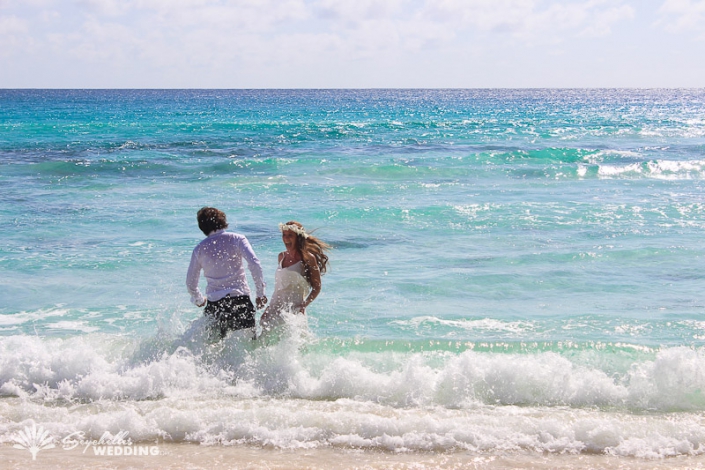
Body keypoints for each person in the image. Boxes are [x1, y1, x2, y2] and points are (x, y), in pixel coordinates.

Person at [186, 207, 267, 339]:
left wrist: (199, 299)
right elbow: (254, 264)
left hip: (215, 306)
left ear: (202, 226)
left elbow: (190, 283)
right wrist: (260, 293)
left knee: (214, 351)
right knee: (249, 348)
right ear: (223, 220)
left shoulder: (199, 248)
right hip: (240, 301)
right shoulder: (237, 239)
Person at [259, 221, 330, 332]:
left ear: (298, 237)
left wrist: (304, 305)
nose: (286, 239)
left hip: (294, 312)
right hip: (275, 308)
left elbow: (317, 287)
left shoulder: (308, 258)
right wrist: (268, 309)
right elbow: (278, 288)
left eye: (290, 235)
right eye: (284, 235)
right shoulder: (281, 256)